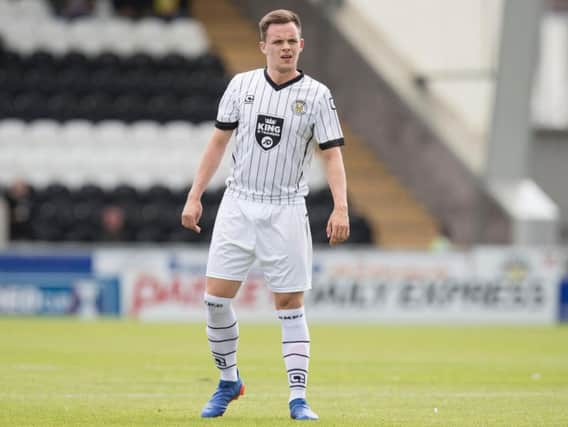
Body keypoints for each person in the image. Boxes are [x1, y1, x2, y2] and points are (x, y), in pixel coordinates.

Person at [181, 9, 349, 420]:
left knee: (290, 305)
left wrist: (341, 206)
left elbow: (332, 155)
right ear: (264, 47)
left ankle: (297, 398)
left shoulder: (317, 95)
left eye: (292, 41)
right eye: (279, 42)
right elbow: (218, 142)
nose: (287, 48)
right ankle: (229, 381)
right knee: (215, 301)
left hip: (286, 208)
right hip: (239, 203)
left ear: (301, 45)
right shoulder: (241, 86)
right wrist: (195, 195)